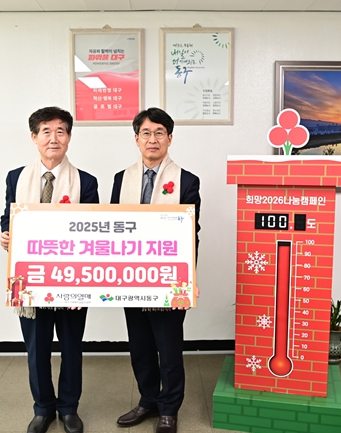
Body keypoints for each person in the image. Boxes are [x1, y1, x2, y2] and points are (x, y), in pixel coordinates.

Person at [0, 106, 99, 433]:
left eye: (60, 131)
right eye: (46, 131)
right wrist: (6, 233)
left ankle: (68, 408)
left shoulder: (86, 181)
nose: (53, 138)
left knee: (71, 347)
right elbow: (8, 216)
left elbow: (94, 231)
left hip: (72, 280)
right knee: (37, 349)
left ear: (69, 137)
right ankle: (42, 408)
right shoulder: (16, 178)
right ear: (34, 137)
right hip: (30, 280)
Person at [110, 107, 201, 433]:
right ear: (136, 139)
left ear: (170, 138)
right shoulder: (121, 179)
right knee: (140, 346)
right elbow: (112, 228)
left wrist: (189, 277)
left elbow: (191, 232)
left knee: (169, 347)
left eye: (159, 133)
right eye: (146, 133)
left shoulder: (187, 181)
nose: (152, 139)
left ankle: (169, 408)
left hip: (168, 279)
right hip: (131, 278)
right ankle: (148, 400)